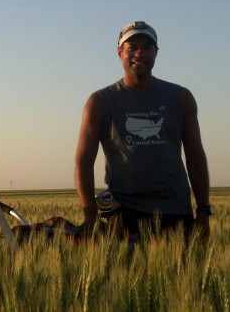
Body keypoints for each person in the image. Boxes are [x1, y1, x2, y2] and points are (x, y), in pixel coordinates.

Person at [75, 21, 212, 241]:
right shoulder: (100, 102)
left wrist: (204, 212)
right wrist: (90, 215)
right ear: (120, 52)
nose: (140, 53)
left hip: (175, 211)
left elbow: (195, 156)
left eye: (147, 47)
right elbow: (83, 162)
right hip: (124, 214)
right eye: (132, 47)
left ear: (156, 53)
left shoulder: (180, 98)